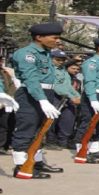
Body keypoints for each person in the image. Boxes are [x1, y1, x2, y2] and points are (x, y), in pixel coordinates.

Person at [11, 23, 64, 179]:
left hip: (46, 93)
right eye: (54, 37)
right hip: (30, 94)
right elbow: (31, 79)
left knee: (40, 131)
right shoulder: (27, 54)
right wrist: (42, 100)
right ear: (39, 37)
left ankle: (36, 162)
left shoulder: (45, 53)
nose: (57, 40)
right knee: (26, 129)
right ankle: (21, 167)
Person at [46, 50, 81, 150]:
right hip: (55, 96)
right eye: (58, 59)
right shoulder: (50, 69)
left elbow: (68, 86)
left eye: (63, 60)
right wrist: (72, 97)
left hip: (66, 97)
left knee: (68, 119)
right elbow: (57, 86)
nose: (61, 62)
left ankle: (63, 141)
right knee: (52, 121)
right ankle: (50, 141)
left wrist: (77, 96)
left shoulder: (63, 70)